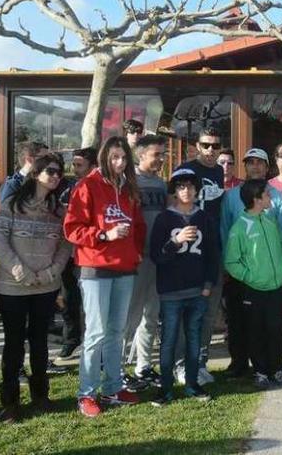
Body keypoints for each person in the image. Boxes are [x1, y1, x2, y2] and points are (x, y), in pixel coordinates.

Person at [64, 136, 145, 417]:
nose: (119, 163)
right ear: (103, 158)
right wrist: (103, 234)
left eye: (123, 158)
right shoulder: (87, 185)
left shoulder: (129, 189)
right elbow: (71, 228)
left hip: (125, 269)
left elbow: (139, 227)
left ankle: (112, 388)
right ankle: (86, 394)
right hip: (95, 269)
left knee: (116, 332)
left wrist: (136, 251)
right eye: (114, 157)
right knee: (96, 333)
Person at [0, 154, 70, 421]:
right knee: (14, 343)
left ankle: (40, 396)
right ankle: (10, 402)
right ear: (35, 173)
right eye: (51, 171)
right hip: (12, 286)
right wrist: (20, 271)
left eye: (60, 172)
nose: (56, 176)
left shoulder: (58, 210)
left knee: (40, 343)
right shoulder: (11, 204)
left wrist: (51, 272)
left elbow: (65, 245)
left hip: (45, 285)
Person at [149, 169, 218, 406]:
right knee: (168, 340)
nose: (186, 191)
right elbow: (156, 256)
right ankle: (165, 388)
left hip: (198, 290)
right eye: (181, 187)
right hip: (170, 291)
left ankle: (191, 384)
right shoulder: (164, 219)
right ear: (174, 191)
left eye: (190, 186)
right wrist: (175, 242)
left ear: (197, 190)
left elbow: (212, 254)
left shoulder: (204, 218)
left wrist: (208, 283)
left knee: (193, 340)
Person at [225, 179, 282, 389]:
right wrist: (250, 277)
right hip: (255, 289)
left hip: (276, 286)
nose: (271, 197)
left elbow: (279, 248)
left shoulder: (269, 222)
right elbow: (231, 262)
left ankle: (276, 368)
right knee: (256, 330)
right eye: (267, 194)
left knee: (276, 328)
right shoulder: (240, 227)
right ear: (257, 199)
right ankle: (260, 370)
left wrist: (281, 274)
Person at [175, 127, 225, 384]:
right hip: (188, 252)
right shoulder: (184, 170)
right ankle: (182, 364)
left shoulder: (219, 172)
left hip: (212, 252)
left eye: (215, 146)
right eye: (206, 145)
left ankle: (200, 361)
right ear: (197, 145)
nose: (210, 150)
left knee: (207, 311)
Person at [121, 135, 168, 391]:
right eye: (156, 154)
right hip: (136, 260)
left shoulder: (161, 185)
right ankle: (117, 369)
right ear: (141, 155)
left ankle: (143, 366)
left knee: (151, 316)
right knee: (129, 316)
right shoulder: (129, 183)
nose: (161, 159)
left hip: (158, 259)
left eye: (162, 154)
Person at [55, 146, 97, 363]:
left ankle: (91, 344)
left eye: (79, 165)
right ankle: (70, 341)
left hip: (90, 254)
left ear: (93, 167)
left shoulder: (101, 189)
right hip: (68, 254)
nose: (75, 169)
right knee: (70, 299)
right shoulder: (68, 189)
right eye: (74, 164)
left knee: (91, 303)